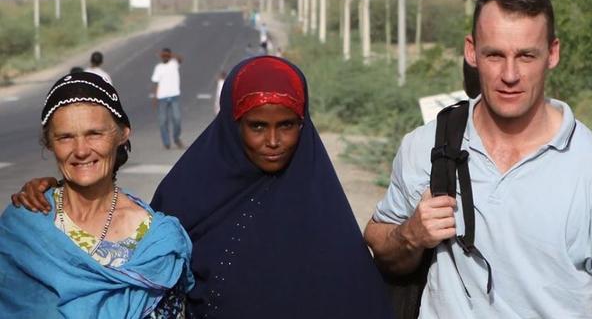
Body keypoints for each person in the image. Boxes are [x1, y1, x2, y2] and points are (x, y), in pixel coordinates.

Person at [12, 56, 395, 318]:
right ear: (232, 124)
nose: (273, 141)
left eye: (288, 125)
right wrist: (55, 190)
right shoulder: (180, 201)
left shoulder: (325, 215)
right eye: (257, 126)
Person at [364, 0, 592, 318]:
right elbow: (378, 241)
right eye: (495, 55)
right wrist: (411, 234)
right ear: (471, 51)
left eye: (526, 55)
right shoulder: (426, 144)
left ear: (552, 53)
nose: (510, 74)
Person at [0, 72, 194, 318]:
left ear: (122, 134)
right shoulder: (24, 226)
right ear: (49, 142)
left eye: (94, 134)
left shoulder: (157, 242)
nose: (81, 150)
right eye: (65, 137)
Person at [151, 48, 184, 149]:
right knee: (163, 121)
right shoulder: (158, 67)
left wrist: (171, 55)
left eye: (167, 55)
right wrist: (155, 97)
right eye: (163, 56)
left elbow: (180, 58)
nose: (165, 57)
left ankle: (176, 137)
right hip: (162, 97)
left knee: (177, 119)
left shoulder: (174, 63)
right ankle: (166, 142)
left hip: (174, 96)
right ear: (161, 57)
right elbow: (155, 83)